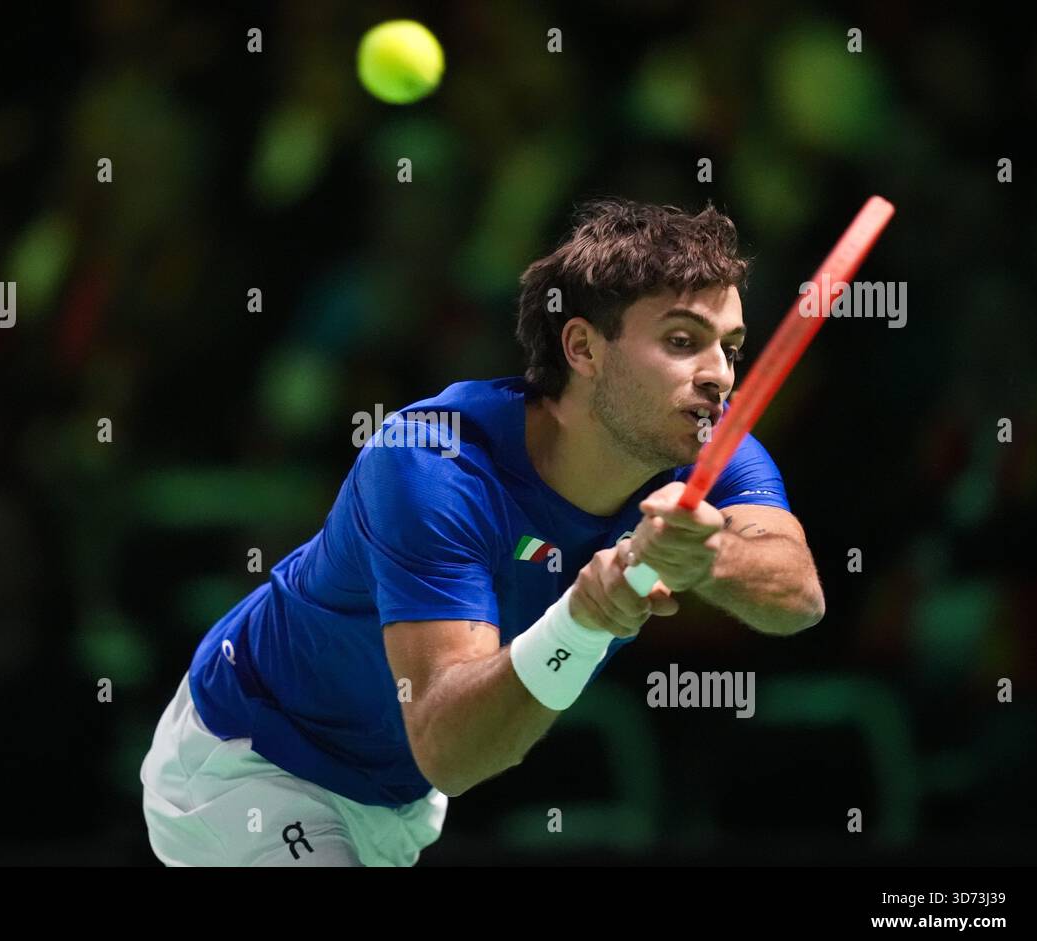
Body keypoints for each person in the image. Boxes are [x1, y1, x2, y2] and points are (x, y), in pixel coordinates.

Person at [141, 198, 825, 866]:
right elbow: (452, 749)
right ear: (583, 347)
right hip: (251, 759)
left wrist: (704, 554)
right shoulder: (433, 462)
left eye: (730, 347)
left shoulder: (708, 438)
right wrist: (585, 619)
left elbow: (798, 596)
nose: (718, 376)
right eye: (682, 342)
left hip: (400, 801)